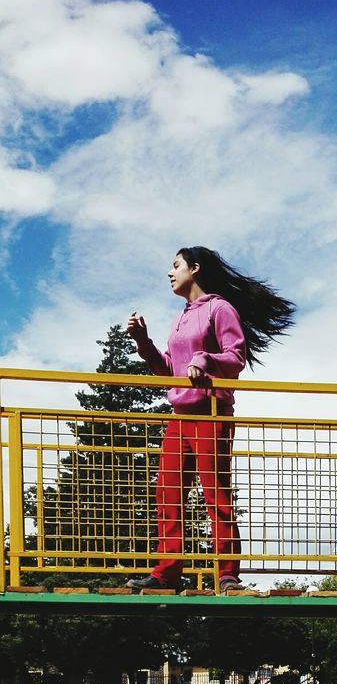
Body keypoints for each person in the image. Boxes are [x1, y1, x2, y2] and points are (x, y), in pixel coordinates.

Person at [126, 246, 294, 593]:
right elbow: (169, 371)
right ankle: (166, 572)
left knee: (214, 493)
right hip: (179, 414)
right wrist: (144, 343)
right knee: (167, 494)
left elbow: (236, 356)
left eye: (175, 266)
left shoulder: (220, 308)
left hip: (212, 412)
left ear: (196, 269)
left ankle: (227, 574)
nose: (169, 273)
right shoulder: (179, 318)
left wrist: (205, 361)